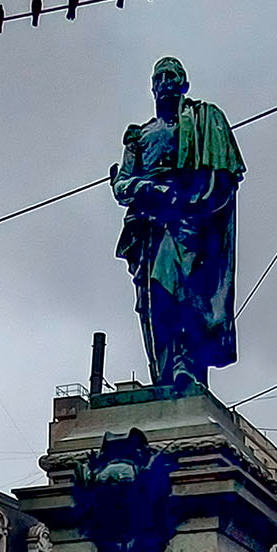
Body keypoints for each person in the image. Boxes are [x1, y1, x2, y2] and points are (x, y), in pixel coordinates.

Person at [111, 57, 244, 391]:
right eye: (161, 77)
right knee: (153, 302)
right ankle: (166, 372)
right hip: (148, 227)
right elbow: (122, 184)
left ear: (185, 85)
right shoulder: (140, 136)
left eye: (174, 77)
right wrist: (149, 188)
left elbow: (221, 177)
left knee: (177, 289)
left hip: (188, 223)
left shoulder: (201, 122)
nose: (167, 82)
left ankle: (186, 364)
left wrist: (191, 201)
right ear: (153, 87)